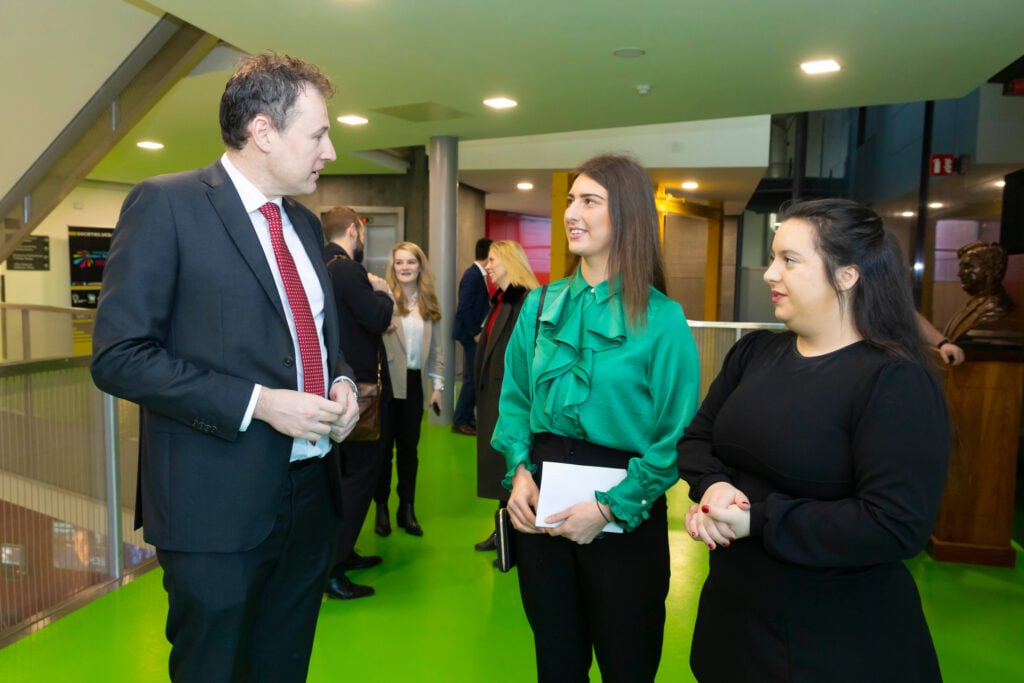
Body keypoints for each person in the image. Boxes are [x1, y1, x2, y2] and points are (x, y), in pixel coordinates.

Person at [90, 53, 360, 682]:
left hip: (310, 496)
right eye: (318, 135)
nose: (330, 152)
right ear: (264, 131)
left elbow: (319, 340)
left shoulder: (303, 223)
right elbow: (119, 357)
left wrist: (342, 381)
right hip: (213, 507)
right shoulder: (167, 205)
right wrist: (260, 403)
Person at [677, 198, 950, 683]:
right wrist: (714, 486)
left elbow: (894, 524)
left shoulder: (893, 381)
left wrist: (757, 520)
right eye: (773, 258)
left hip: (834, 641)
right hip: (736, 623)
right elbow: (697, 441)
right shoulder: (755, 352)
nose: (770, 273)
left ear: (847, 275)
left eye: (790, 260)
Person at [492, 153, 700, 682]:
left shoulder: (662, 318)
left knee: (627, 664)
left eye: (589, 201)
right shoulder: (540, 305)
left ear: (626, 215)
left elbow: (674, 436)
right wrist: (519, 473)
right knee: (556, 661)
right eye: (570, 200)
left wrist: (609, 510)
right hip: (542, 503)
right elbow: (515, 400)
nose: (571, 213)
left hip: (625, 509)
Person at [321, 206, 395, 600]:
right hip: (361, 388)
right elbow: (376, 317)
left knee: (342, 474)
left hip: (332, 383)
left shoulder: (318, 263)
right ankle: (334, 567)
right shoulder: (348, 270)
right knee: (361, 475)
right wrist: (383, 293)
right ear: (354, 230)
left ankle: (343, 552)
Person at [471, 240, 540, 555]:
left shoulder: (524, 302)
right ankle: (502, 527)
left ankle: (510, 532)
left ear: (510, 261)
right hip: (493, 397)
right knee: (500, 466)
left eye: (492, 260)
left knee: (509, 464)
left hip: (507, 399)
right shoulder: (500, 301)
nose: (487, 266)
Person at [373, 241, 445, 537]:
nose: (404, 267)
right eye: (399, 262)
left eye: (410, 262)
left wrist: (438, 386)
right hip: (387, 383)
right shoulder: (383, 297)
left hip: (414, 383)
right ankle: (381, 508)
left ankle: (407, 509)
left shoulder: (428, 302)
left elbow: (436, 349)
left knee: (409, 452)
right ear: (393, 267)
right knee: (382, 451)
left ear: (420, 266)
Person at [451, 237, 493, 435]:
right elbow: (464, 308)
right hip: (470, 335)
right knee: (472, 378)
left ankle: (467, 418)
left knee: (473, 377)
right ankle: (460, 420)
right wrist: (475, 332)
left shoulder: (477, 274)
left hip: (472, 333)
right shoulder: (473, 276)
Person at [942, 240, 1016, 342]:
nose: (960, 274)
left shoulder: (996, 308)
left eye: (968, 266)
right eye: (961, 267)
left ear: (991, 270)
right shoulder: (975, 302)